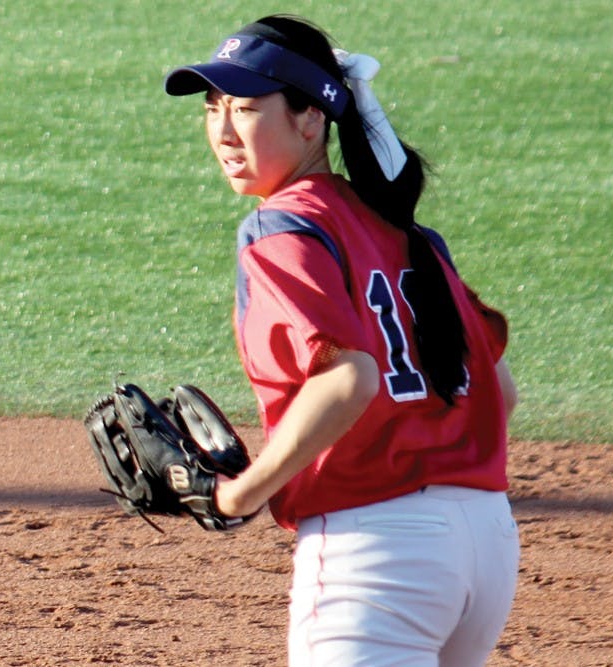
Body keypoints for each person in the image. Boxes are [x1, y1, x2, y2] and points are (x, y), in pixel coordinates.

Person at [164, 15, 520, 666]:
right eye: (213, 108)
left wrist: (236, 496)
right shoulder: (410, 234)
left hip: (378, 553)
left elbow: (347, 378)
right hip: (487, 543)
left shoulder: (282, 228)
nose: (222, 130)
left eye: (245, 108)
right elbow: (500, 390)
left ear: (310, 119)